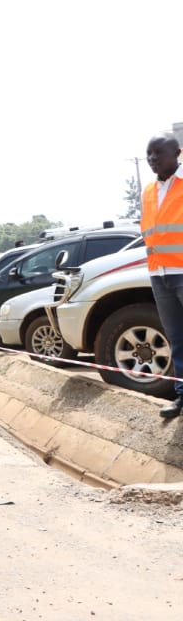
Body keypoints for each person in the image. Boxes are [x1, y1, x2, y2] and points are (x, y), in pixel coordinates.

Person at [142, 132, 183, 419]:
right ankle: (182, 397)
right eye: (149, 154)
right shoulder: (147, 191)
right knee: (177, 339)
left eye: (159, 152)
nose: (153, 158)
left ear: (178, 153)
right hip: (160, 275)